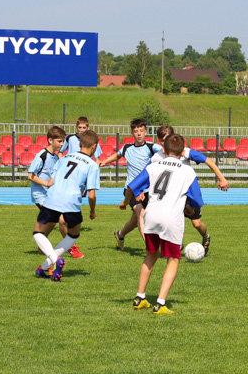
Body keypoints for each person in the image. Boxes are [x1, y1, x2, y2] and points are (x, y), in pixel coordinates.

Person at [120, 133, 204, 314]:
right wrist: (190, 208)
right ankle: (160, 303)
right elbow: (197, 199)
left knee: (151, 254)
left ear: (163, 150)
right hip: (171, 219)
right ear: (183, 152)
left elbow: (133, 185)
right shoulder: (187, 171)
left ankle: (139, 298)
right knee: (173, 260)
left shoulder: (153, 166)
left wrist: (126, 201)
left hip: (150, 215)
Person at [150, 125, 229, 255]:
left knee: (196, 224)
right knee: (169, 220)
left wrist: (221, 178)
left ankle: (205, 236)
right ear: (159, 141)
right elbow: (147, 173)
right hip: (172, 195)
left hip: (189, 194)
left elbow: (208, 160)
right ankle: (177, 244)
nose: (165, 143)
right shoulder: (156, 157)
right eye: (163, 140)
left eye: (168, 139)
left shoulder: (184, 152)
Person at [33, 130, 100, 281]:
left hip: (53, 197)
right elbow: (91, 194)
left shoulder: (63, 158)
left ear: (80, 143)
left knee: (38, 232)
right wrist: (92, 211)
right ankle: (49, 264)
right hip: (72, 201)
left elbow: (50, 182)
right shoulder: (92, 165)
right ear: (94, 146)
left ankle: (48, 264)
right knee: (73, 234)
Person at [98, 118, 163, 250]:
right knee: (141, 213)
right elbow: (117, 155)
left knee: (135, 222)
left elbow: (167, 149)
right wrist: (104, 162)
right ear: (132, 133)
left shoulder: (152, 147)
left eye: (141, 131)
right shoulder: (127, 147)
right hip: (131, 189)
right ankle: (150, 247)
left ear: (146, 132)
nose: (139, 133)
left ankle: (120, 234)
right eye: (136, 131)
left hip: (148, 190)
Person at [26, 125, 84, 259]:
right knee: (60, 219)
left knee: (52, 222)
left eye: (63, 141)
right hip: (40, 195)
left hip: (51, 195)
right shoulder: (42, 155)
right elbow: (31, 176)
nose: (62, 144)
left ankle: (42, 243)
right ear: (50, 140)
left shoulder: (56, 157)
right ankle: (70, 248)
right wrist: (47, 183)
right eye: (59, 141)